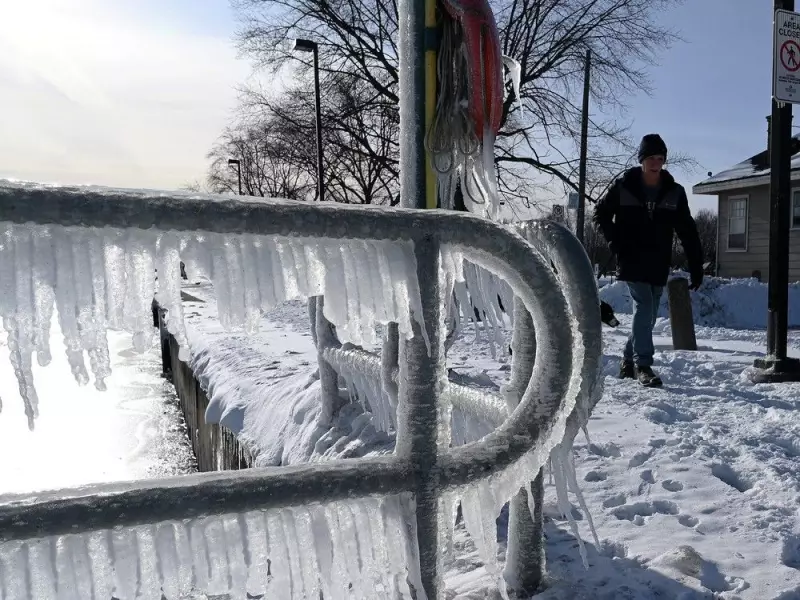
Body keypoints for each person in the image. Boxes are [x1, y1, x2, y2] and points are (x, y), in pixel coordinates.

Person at [593, 133, 703, 387]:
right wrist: (614, 241)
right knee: (643, 308)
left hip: (658, 261)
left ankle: (627, 359)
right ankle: (644, 365)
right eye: (651, 157)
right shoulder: (624, 187)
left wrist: (696, 266)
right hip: (631, 258)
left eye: (660, 158)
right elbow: (601, 215)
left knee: (649, 315)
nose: (656, 162)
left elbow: (687, 230)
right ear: (642, 159)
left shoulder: (674, 193)